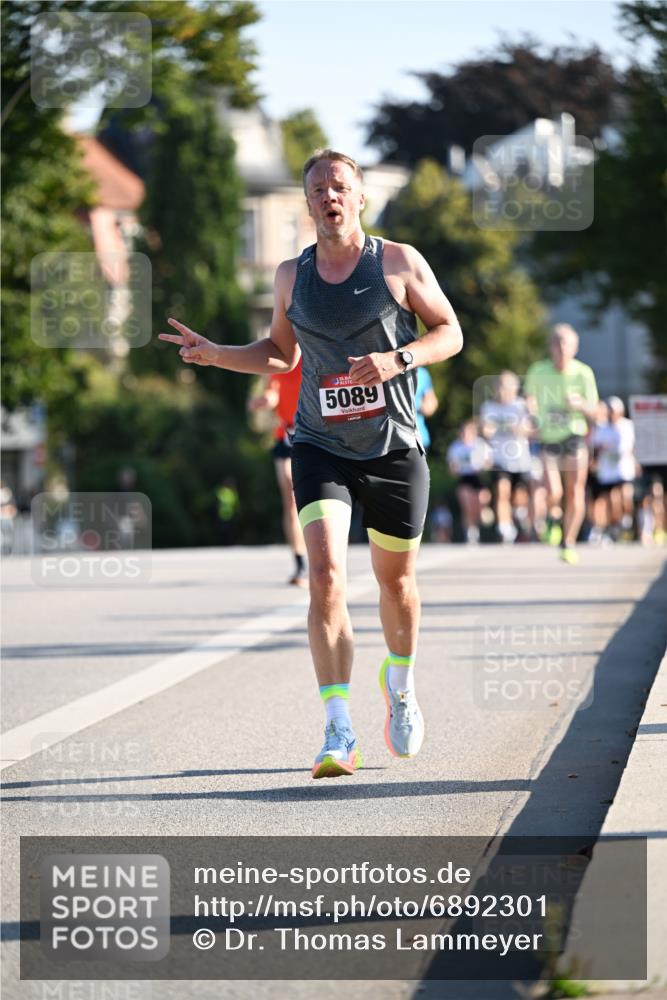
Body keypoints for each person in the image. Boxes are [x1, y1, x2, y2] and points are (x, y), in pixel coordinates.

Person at [159, 149, 463, 779]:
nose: (330, 196)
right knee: (325, 576)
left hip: (394, 446)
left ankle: (399, 685)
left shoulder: (399, 262)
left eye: (340, 187)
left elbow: (450, 333)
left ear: (359, 198)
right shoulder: (290, 277)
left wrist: (399, 360)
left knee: (396, 584)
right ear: (308, 204)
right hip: (319, 444)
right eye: (318, 188)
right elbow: (279, 353)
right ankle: (338, 729)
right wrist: (217, 354)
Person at [524, 324, 599, 564]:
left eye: (566, 343)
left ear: (575, 348)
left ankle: (568, 541)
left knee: (576, 491)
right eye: (556, 343)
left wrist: (580, 405)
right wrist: (533, 416)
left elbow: (596, 411)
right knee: (553, 490)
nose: (561, 348)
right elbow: (529, 400)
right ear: (551, 347)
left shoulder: (583, 373)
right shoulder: (538, 370)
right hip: (548, 438)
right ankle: (553, 518)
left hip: (574, 436)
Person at [248, 360, 308, 586]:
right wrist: (264, 401)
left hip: (317, 434)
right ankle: (300, 563)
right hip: (286, 436)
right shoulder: (281, 357)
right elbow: (271, 391)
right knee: (292, 500)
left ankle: (323, 554)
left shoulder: (315, 348)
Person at [480, 370, 532, 543]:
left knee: (519, 497)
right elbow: (485, 431)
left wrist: (517, 428)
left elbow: (530, 430)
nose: (503, 390)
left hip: (519, 459)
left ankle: (519, 515)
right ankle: (504, 527)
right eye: (500, 386)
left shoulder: (520, 406)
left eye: (507, 386)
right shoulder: (489, 407)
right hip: (499, 458)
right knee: (502, 492)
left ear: (515, 388)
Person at [589, 396, 637, 543]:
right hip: (608, 470)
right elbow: (596, 447)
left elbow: (630, 446)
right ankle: (614, 525)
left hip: (624, 468)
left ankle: (627, 519)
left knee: (625, 495)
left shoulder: (627, 425)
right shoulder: (602, 427)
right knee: (611, 499)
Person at [446, 420, 492, 544]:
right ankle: (471, 532)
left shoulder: (480, 445)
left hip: (479, 478)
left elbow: (489, 462)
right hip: (464, 478)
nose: (465, 434)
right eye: (463, 432)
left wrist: (483, 467)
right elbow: (452, 469)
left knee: (480, 505)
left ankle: (481, 517)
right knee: (467, 505)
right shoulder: (455, 447)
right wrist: (454, 469)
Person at [414, 366, 438, 453]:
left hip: (418, 438)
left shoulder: (422, 373)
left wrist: (424, 407)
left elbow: (431, 403)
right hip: (390, 440)